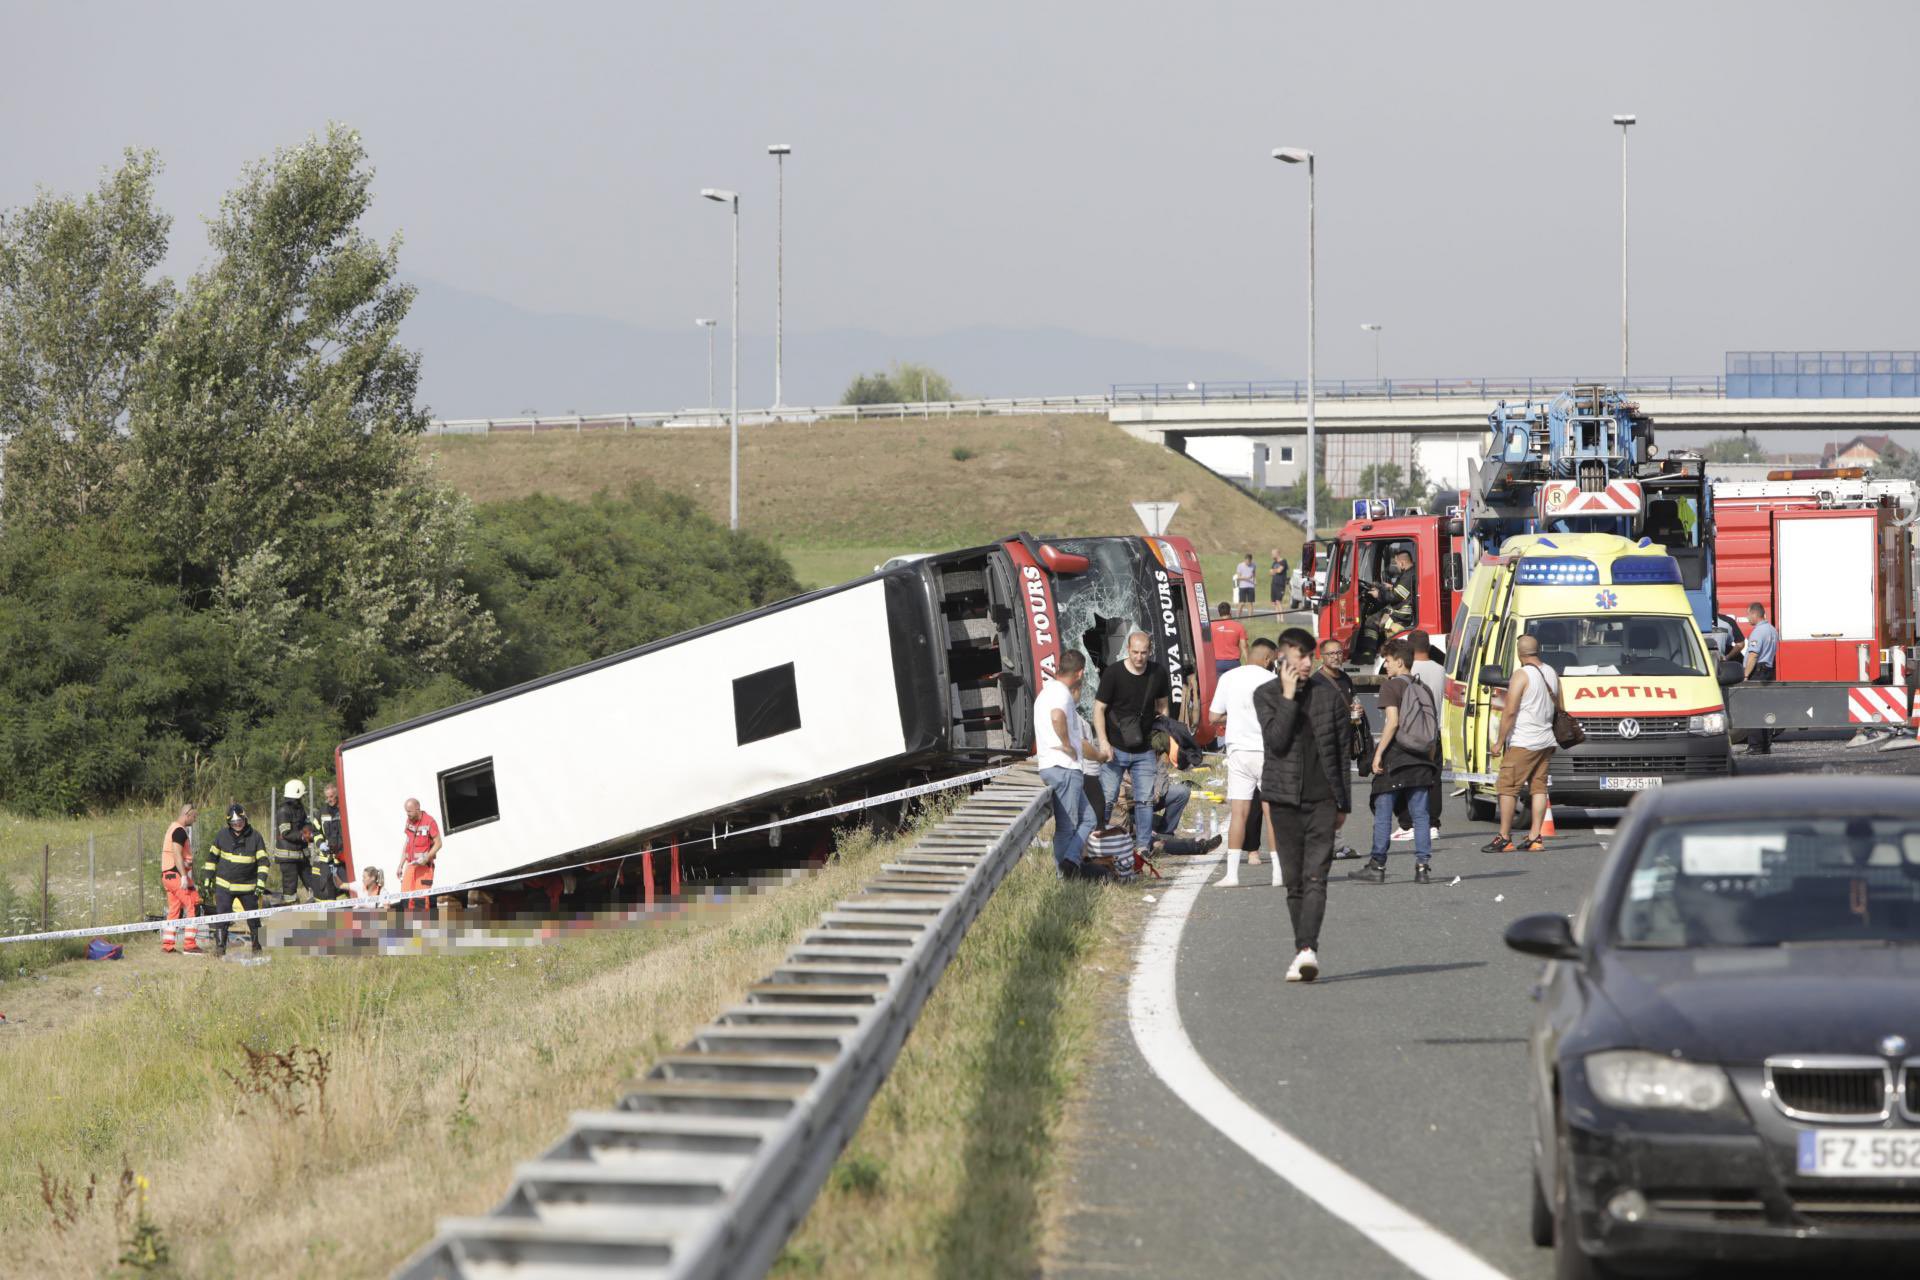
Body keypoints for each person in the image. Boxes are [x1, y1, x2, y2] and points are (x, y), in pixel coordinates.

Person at [1255, 628, 1352, 983]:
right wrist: (1289, 696)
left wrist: (1344, 803)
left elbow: (1342, 753)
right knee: (1294, 882)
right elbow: (1277, 741)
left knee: (1316, 876)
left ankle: (1308, 948)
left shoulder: (1329, 697)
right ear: (1282, 659)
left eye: (1310, 655)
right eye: (1300, 656)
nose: (1308, 662)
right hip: (1282, 800)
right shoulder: (1264, 695)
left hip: (1323, 800)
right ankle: (1302, 951)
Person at [1351, 639, 1439, 883]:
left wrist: (1378, 754)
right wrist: (1429, 756)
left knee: (1383, 811)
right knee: (1420, 816)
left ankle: (1377, 865)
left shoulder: (1391, 687)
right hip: (1421, 759)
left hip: (1396, 758)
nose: (1385, 667)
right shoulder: (1424, 688)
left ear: (1399, 661)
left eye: (1388, 661)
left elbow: (1393, 722)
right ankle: (1422, 867)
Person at [1095, 631, 1171, 864]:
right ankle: (1100, 842)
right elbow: (1098, 709)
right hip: (1115, 747)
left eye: (1144, 653)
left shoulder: (1157, 672)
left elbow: (1163, 706)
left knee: (1145, 799)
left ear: (1150, 651)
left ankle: (1142, 847)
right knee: (1107, 798)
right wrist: (1104, 742)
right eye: (1135, 652)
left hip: (1145, 748)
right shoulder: (1113, 673)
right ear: (1128, 649)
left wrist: (1162, 736)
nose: (1139, 657)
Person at [1209, 636, 1278, 885]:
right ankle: (1279, 873)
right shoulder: (1273, 680)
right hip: (1267, 752)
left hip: (1238, 751)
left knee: (1239, 813)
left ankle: (1232, 874)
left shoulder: (1228, 678)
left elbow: (1214, 716)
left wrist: (1234, 716)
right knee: (1272, 812)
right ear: (1268, 658)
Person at [1486, 634, 1561, 853]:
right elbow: (1560, 706)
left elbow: (1509, 711)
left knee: (1507, 788)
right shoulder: (1551, 673)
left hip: (1524, 741)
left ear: (1519, 653)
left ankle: (1504, 837)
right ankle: (1535, 837)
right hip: (1546, 739)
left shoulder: (1521, 674)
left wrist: (1499, 741)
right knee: (1539, 787)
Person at [1035, 651, 1100, 877]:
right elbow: (1056, 717)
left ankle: (1071, 861)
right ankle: (1065, 877)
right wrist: (1066, 744)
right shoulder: (1061, 694)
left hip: (1053, 766)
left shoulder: (1047, 691)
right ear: (1080, 672)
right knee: (1067, 828)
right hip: (1063, 768)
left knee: (1089, 818)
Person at [1112, 731, 1222, 856]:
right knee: (1152, 840)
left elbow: (1162, 778)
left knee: (1179, 794)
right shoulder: (1115, 768)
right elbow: (1119, 816)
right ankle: (1196, 846)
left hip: (1145, 804)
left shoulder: (1149, 755)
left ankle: (1175, 838)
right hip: (1127, 816)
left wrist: (1154, 791)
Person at [1314, 637, 1368, 858]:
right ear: (1322, 657)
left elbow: (1352, 702)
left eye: (1338, 653)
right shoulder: (1316, 682)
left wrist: (1357, 709)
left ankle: (1334, 845)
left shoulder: (1345, 678)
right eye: (1331, 654)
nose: (1336, 657)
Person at [1395, 629, 1447, 844]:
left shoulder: (1406, 670)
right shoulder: (1441, 669)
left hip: (1409, 733)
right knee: (1433, 779)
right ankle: (1433, 824)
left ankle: (1408, 823)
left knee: (1406, 778)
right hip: (1434, 730)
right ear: (1429, 647)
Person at [199, 804, 270, 956]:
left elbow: (263, 862)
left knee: (254, 919)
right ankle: (220, 949)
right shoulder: (222, 835)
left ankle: (257, 948)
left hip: (248, 888)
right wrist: (207, 882)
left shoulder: (255, 836)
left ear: (245, 819)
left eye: (240, 821)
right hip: (224, 887)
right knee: (222, 919)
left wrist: (261, 883)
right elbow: (211, 859)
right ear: (229, 823)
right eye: (234, 823)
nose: (237, 825)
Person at [159, 803, 203, 954]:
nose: (195, 820)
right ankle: (190, 945)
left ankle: (168, 945)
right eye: (194, 816)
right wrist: (184, 876)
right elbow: (177, 853)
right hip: (176, 876)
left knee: (174, 910)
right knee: (193, 905)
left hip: (168, 875)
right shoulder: (179, 831)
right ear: (187, 814)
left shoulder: (172, 828)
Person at [1743, 602, 1778, 755]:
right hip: (1768, 671)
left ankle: (1755, 746)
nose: (1747, 617)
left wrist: (1745, 675)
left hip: (1757, 673)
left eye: (1748, 614)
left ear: (1754, 614)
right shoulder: (1772, 630)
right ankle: (1766, 745)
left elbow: (1753, 655)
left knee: (1753, 710)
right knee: (1765, 710)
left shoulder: (1758, 632)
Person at [272, 779, 314, 906]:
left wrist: (309, 830)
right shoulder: (283, 811)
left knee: (311, 879)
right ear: (296, 795)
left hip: (301, 854)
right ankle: (291, 906)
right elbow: (286, 833)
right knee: (290, 885)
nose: (302, 797)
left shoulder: (299, 808)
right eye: (301, 795)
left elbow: (306, 822)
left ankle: (316, 901)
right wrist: (303, 837)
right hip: (288, 857)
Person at [398, 798, 443, 914]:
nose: (407, 814)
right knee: (405, 898)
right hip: (411, 865)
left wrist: (427, 857)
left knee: (421, 901)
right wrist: (400, 865)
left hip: (424, 867)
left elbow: (438, 843)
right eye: (406, 812)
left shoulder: (429, 822)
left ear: (417, 809)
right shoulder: (409, 821)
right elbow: (407, 842)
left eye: (410, 811)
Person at [309, 781, 347, 900]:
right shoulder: (321, 812)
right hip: (327, 858)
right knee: (327, 888)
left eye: (331, 797)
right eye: (327, 797)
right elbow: (315, 831)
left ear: (337, 795)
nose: (329, 800)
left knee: (345, 886)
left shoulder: (344, 810)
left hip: (342, 858)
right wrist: (320, 844)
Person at [1210, 601, 1248, 675]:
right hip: (1233, 664)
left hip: (1217, 663)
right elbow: (1244, 647)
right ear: (1230, 611)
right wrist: (1248, 662)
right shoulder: (1239, 626)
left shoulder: (1211, 626)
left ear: (1219, 613)